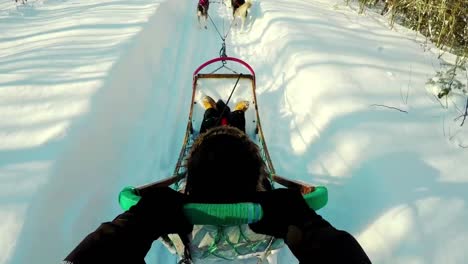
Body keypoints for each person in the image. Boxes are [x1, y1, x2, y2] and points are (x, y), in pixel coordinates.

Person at [64, 100, 371, 263]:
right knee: (232, 127)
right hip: (253, 235)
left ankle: (213, 111)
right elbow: (336, 252)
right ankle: (235, 112)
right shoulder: (267, 213)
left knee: (211, 126)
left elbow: (101, 251)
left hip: (197, 241)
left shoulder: (184, 214)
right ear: (257, 177)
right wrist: (302, 217)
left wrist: (139, 218)